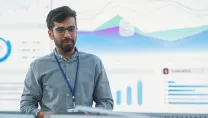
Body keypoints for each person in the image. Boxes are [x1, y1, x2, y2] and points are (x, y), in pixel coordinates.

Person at [20, 6, 114, 118]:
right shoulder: (38, 66)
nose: (67, 35)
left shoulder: (94, 63)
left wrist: (93, 114)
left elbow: (106, 102)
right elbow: (26, 105)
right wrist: (40, 114)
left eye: (71, 29)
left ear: (76, 31)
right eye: (60, 30)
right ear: (50, 34)